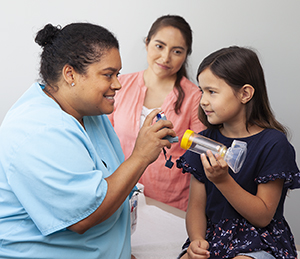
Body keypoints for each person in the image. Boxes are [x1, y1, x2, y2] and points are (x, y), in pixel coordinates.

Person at [0, 23, 176, 259]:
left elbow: (109, 181)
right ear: (70, 74)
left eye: (118, 74)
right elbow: (83, 217)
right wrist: (142, 156)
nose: (118, 84)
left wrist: (118, 248)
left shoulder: (88, 112)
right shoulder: (36, 130)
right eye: (108, 74)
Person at [176, 46, 300, 259]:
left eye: (212, 92)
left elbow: (262, 217)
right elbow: (195, 207)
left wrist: (222, 180)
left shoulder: (273, 144)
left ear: (245, 94)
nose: (203, 100)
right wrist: (197, 240)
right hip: (215, 239)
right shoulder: (204, 142)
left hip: (260, 241)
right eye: (201, 91)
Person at [108, 15, 205, 211]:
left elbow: (200, 157)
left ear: (186, 54)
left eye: (177, 51)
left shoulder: (195, 98)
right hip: (120, 197)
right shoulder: (118, 86)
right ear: (147, 43)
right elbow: (102, 141)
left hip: (171, 204)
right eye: (159, 46)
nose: (165, 57)